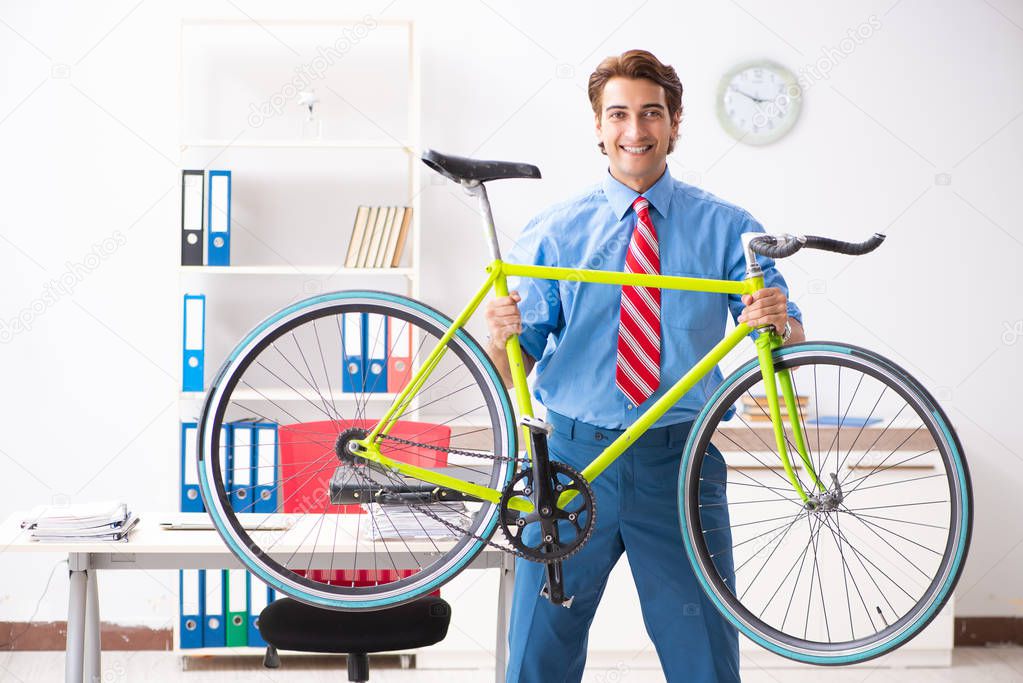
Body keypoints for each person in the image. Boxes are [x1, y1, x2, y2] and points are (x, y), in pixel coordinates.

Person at [483, 50, 805, 682]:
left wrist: (775, 321)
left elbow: (790, 342)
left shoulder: (730, 230)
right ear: (598, 127)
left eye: (651, 113)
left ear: (675, 122)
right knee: (536, 656)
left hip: (681, 463)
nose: (636, 130)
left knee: (704, 659)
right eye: (620, 114)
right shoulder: (554, 233)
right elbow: (509, 365)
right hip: (572, 463)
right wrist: (498, 337)